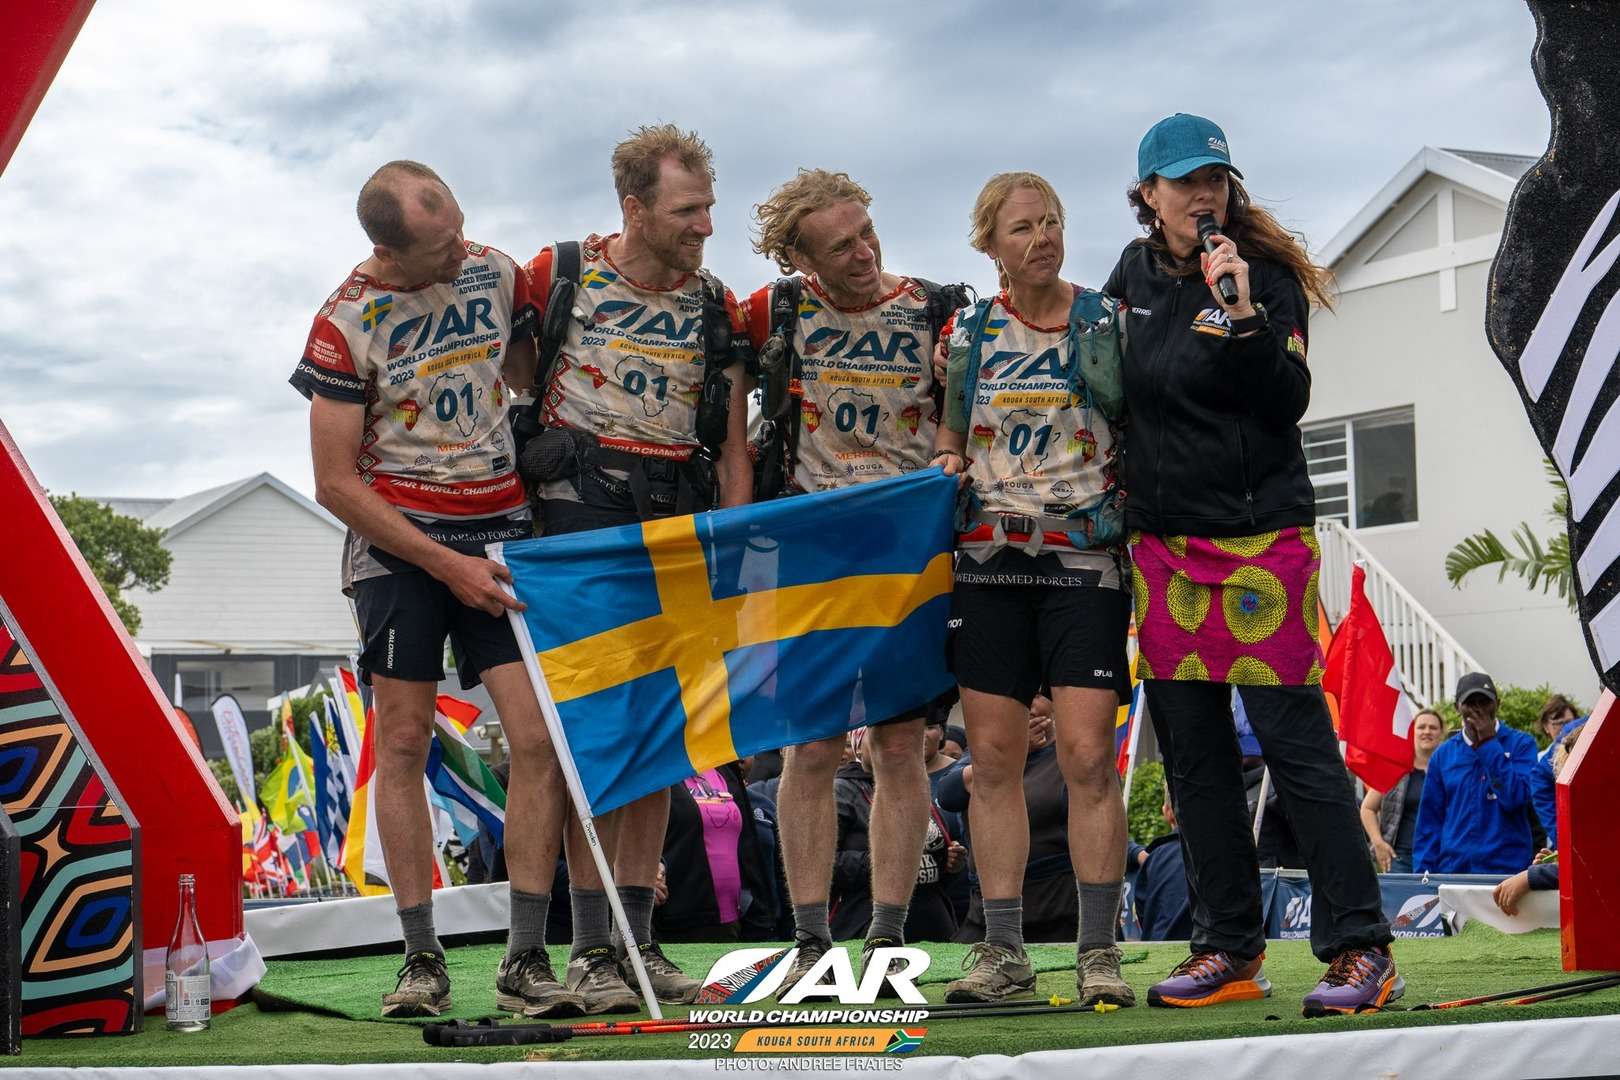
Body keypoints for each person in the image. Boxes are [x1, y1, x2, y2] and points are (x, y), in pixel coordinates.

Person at [1104, 114, 1398, 1017]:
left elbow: (1287, 398)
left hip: (1259, 542)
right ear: (1149, 194)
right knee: (1194, 759)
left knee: (1294, 746)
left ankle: (1361, 947)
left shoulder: (1261, 276)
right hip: (1163, 547)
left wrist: (1239, 312)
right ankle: (1228, 948)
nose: (1205, 194)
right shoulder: (1129, 276)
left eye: (1217, 179)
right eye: (1186, 180)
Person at [292, 161, 583, 1019]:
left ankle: (526, 957)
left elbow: (527, 374)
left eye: (460, 227)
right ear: (389, 251)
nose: (463, 250)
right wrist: (446, 564)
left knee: (538, 739)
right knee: (404, 742)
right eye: (441, 245)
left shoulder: (494, 271)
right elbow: (334, 483)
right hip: (400, 543)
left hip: (501, 529)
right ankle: (420, 957)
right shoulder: (345, 321)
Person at [518, 125, 754, 1011]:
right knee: (593, 735)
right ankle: (585, 949)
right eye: (688, 210)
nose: (705, 226)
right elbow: (500, 375)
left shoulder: (716, 302)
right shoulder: (560, 273)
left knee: (662, 738)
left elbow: (733, 442)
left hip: (677, 522)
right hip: (578, 516)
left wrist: (731, 544)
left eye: (709, 208)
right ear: (634, 207)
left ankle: (638, 945)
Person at [741, 168, 964, 992]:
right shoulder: (773, 312)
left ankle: (888, 935)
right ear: (801, 259)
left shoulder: (937, 307)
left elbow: (970, 411)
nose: (865, 252)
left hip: (906, 547)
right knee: (811, 745)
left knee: (901, 745)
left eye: (867, 231)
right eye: (842, 246)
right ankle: (809, 939)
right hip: (811, 547)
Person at [931, 171, 1133, 1007]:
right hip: (989, 564)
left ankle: (1099, 951)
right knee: (993, 762)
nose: (1042, 237)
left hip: (1084, 562)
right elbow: (950, 434)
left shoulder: (1105, 320)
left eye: (1051, 221)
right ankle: (1003, 950)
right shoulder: (970, 331)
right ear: (990, 245)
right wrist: (946, 461)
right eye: (1022, 227)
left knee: (1087, 756)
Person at [935, 698, 1083, 946]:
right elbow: (948, 794)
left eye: (1037, 695)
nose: (1027, 704)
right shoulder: (981, 755)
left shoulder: (1071, 755)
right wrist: (1014, 751)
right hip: (985, 913)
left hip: (1058, 910)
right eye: (1019, 694)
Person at [831, 732, 964, 943]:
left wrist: (948, 861)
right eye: (878, 738)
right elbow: (823, 863)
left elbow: (929, 852)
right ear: (858, 748)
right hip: (864, 921)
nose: (890, 746)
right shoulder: (842, 791)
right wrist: (886, 863)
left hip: (932, 922)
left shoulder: (914, 787)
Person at [1413, 672, 1539, 875]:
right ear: (1457, 707)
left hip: (1507, 871)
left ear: (1497, 704)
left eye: (1485, 702)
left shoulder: (1521, 744)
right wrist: (1423, 875)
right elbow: (1429, 821)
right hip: (1455, 870)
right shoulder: (1443, 755)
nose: (1478, 710)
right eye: (1470, 703)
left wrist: (1488, 743)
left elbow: (1515, 799)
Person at [655, 763, 777, 942]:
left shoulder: (724, 768)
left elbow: (747, 843)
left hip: (734, 920)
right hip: (676, 919)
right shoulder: (656, 770)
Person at [1360, 709, 1446, 873]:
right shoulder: (1394, 768)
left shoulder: (1448, 770)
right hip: (1399, 858)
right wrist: (1378, 843)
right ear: (1412, 731)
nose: (1427, 731)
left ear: (1441, 733)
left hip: (1439, 856)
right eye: (1421, 727)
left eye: (1433, 728)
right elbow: (1367, 808)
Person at [1134, 786, 1192, 942]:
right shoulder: (1226, 854)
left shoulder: (1155, 858)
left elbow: (1143, 913)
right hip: (1213, 953)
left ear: (1167, 812)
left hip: (1158, 946)